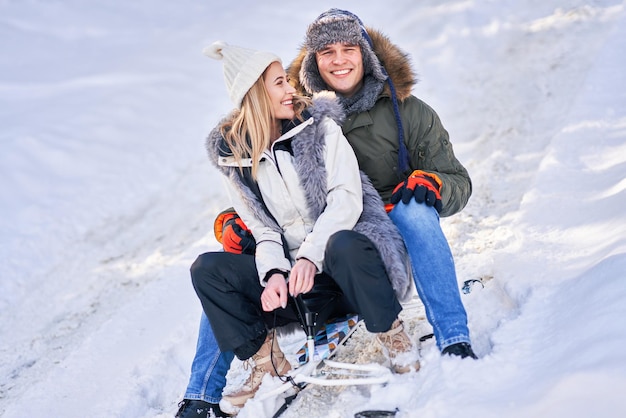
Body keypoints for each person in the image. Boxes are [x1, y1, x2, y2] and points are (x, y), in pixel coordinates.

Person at [175, 9, 477, 416]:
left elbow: (361, 198)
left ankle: (450, 337)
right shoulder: (288, 119)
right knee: (218, 264)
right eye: (326, 52)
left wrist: (434, 185)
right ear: (312, 62)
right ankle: (211, 387)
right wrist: (253, 239)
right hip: (313, 257)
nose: (338, 60)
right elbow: (273, 206)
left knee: (408, 215)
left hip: (368, 239)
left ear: (365, 55)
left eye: (348, 49)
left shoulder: (396, 114)